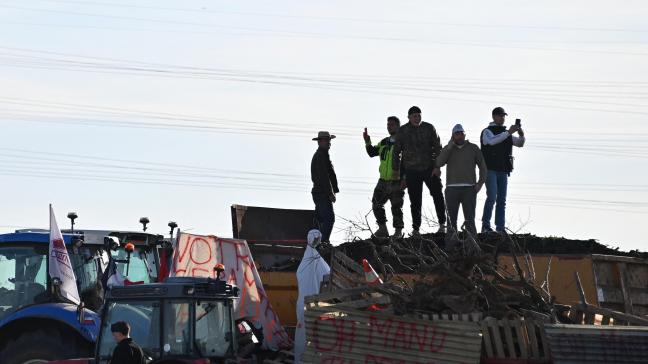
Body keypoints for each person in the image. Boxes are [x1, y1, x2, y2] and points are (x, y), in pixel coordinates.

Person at [392, 106, 446, 236]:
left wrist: (437, 166)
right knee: (415, 201)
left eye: (418, 115)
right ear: (409, 117)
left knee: (438, 195)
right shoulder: (403, 131)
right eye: (414, 116)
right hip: (411, 171)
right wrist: (399, 174)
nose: (417, 118)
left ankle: (442, 224)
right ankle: (416, 229)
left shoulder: (429, 128)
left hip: (429, 169)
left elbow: (438, 147)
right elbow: (396, 152)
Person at [434, 124, 487, 235]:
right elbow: (439, 162)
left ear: (464, 134)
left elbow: (483, 166)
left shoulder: (473, 148)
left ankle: (472, 248)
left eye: (461, 133)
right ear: (453, 136)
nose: (459, 136)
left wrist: (480, 183)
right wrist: (449, 147)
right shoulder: (448, 149)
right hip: (451, 189)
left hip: (469, 189)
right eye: (456, 134)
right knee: (451, 222)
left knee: (470, 221)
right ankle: (450, 248)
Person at [480, 107, 526, 233]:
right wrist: (508, 133)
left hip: (503, 170)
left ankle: (500, 228)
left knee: (501, 200)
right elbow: (492, 142)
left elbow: (520, 143)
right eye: (500, 115)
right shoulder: (487, 131)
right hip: (490, 170)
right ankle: (485, 226)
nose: (502, 118)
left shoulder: (506, 133)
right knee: (492, 197)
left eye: (504, 116)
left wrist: (521, 133)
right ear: (494, 116)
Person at [363, 116, 405, 238]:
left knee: (396, 207)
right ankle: (382, 229)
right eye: (388, 124)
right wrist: (367, 141)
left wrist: (405, 178)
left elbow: (408, 161)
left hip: (397, 180)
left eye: (392, 124)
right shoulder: (384, 142)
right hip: (383, 181)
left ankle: (398, 231)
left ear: (398, 126)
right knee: (376, 204)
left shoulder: (403, 143)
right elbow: (372, 153)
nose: (389, 126)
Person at [311, 131, 339, 242]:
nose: (329, 142)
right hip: (321, 193)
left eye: (329, 140)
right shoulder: (320, 156)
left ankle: (316, 243)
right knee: (329, 219)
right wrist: (330, 193)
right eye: (326, 140)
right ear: (320, 142)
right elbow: (324, 177)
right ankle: (323, 242)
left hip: (320, 193)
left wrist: (333, 190)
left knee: (319, 220)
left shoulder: (323, 155)